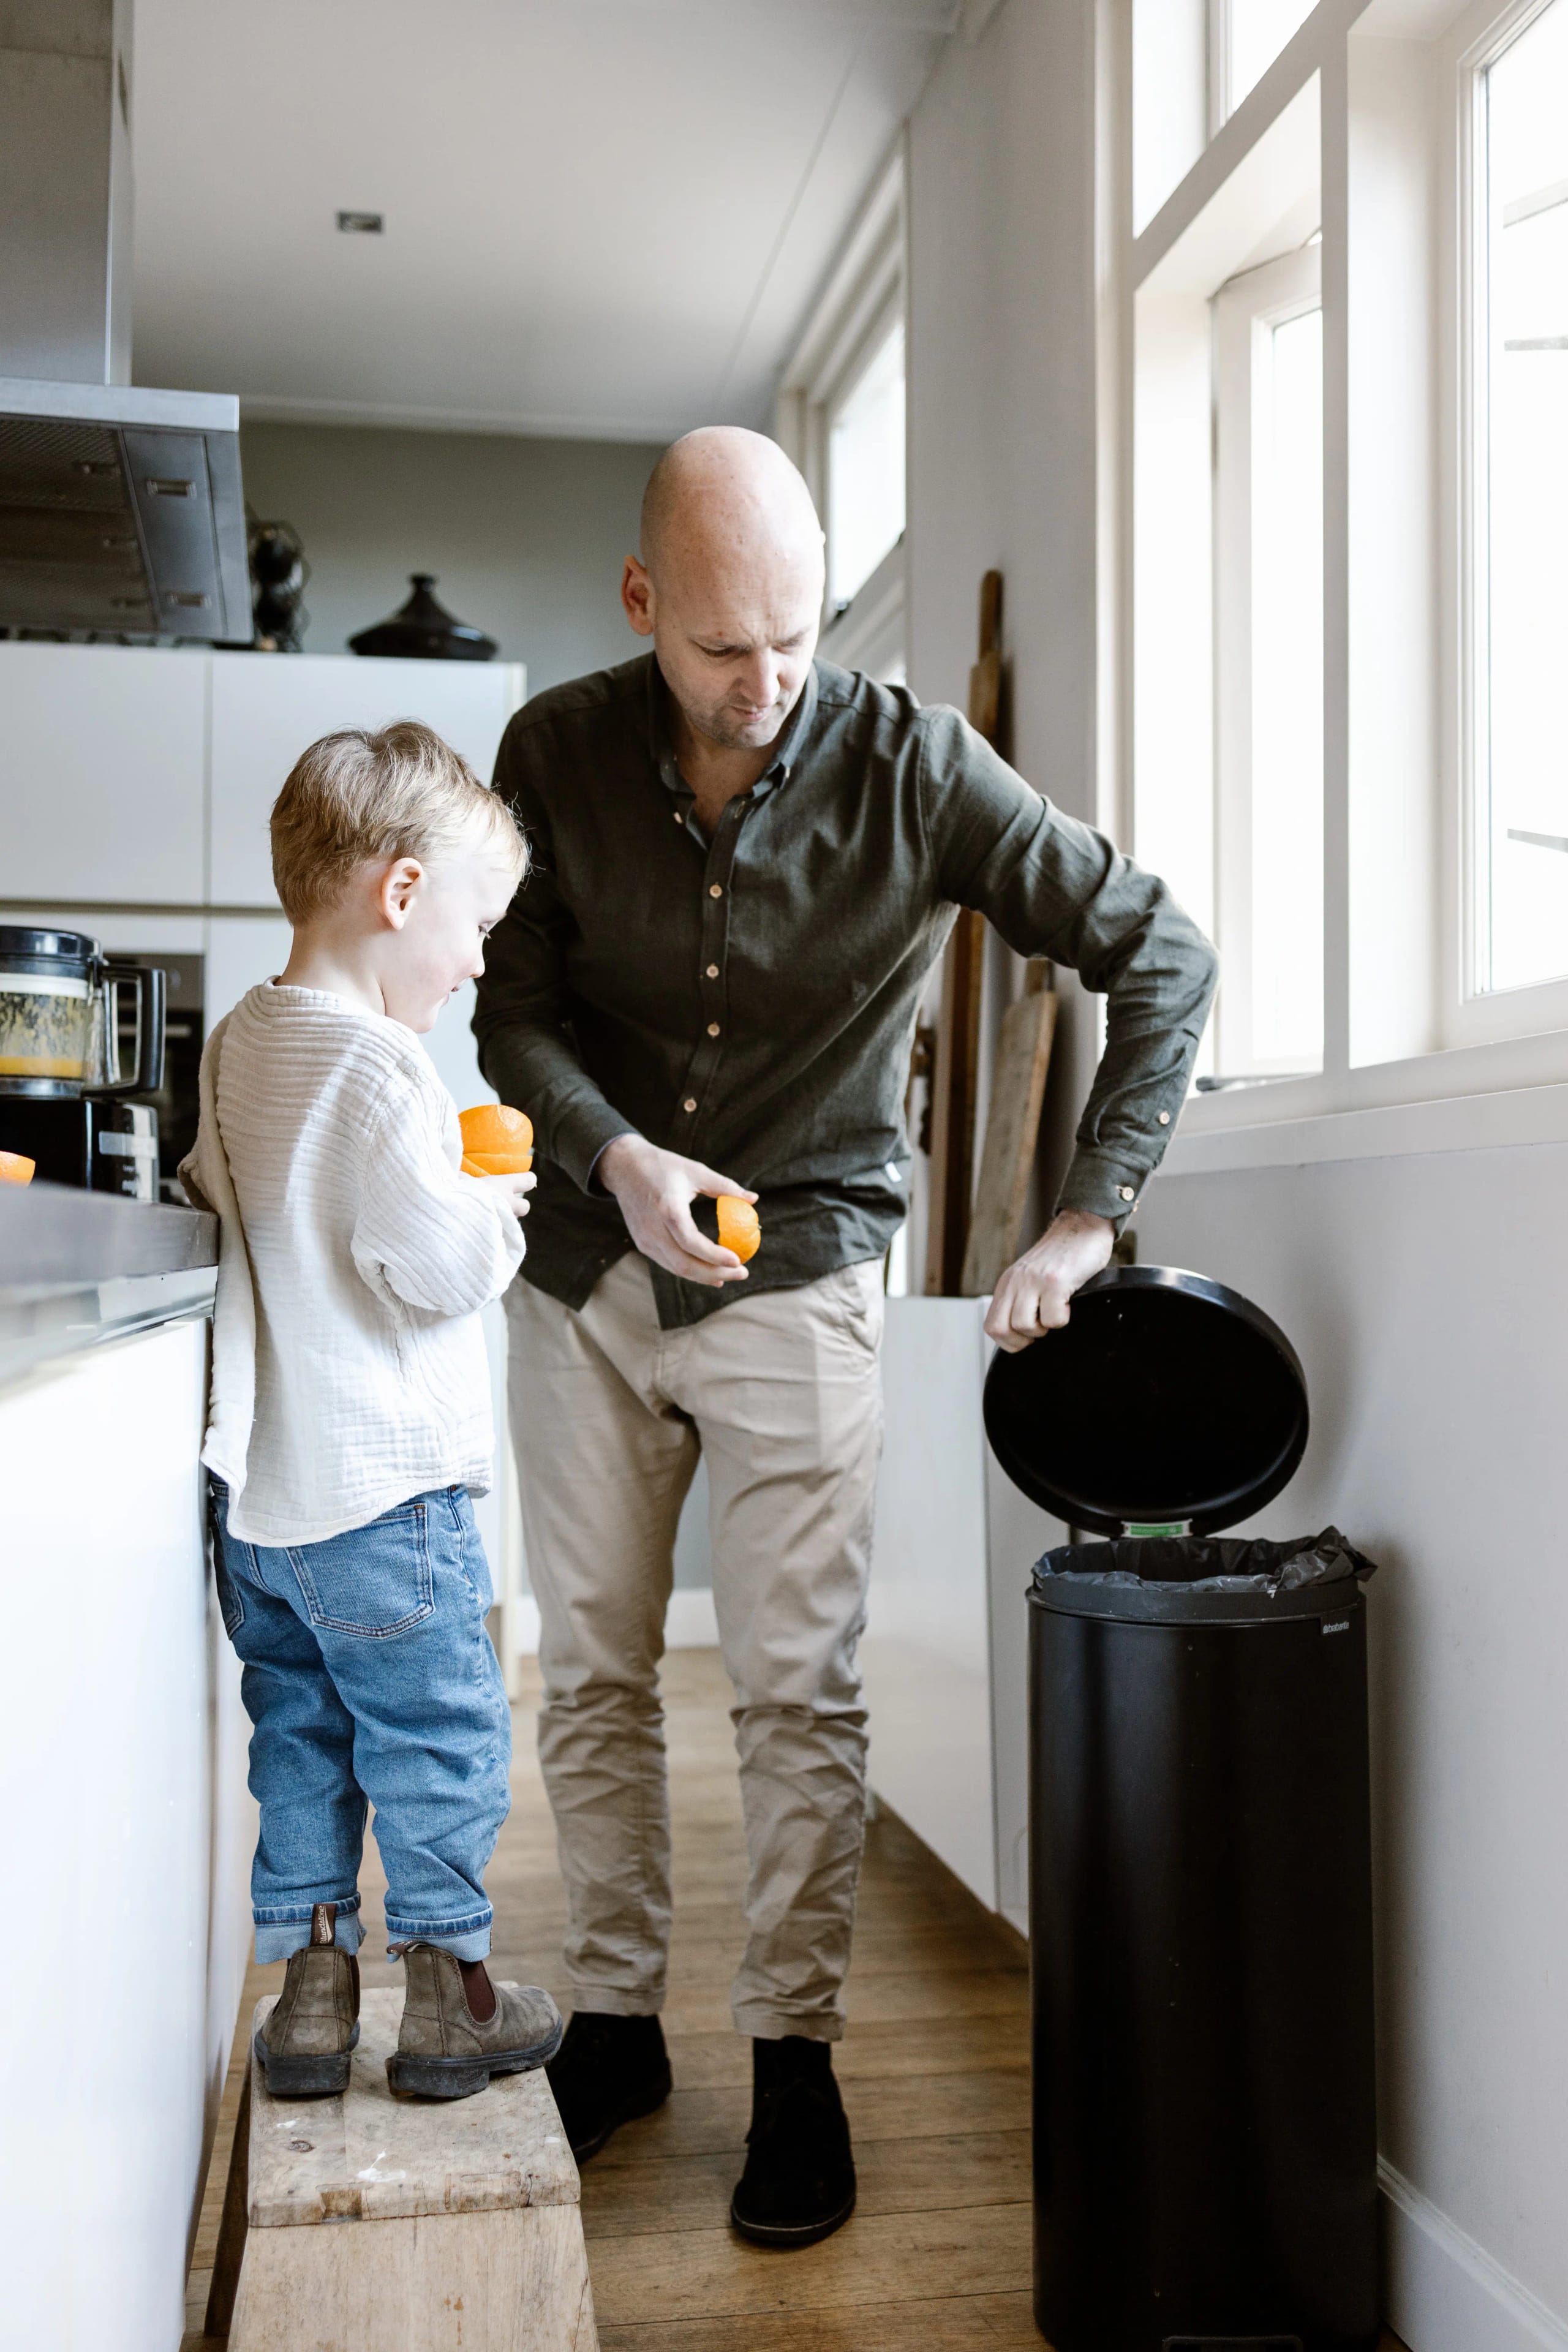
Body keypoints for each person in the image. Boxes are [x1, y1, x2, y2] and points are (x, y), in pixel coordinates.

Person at [474, 428, 1219, 2243]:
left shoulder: (919, 765)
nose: (767, 682)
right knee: (591, 1672)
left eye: (795, 636)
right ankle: (626, 2023)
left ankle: (795, 2061)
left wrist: (1089, 1208)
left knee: (802, 1687)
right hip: (587, 1265)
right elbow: (511, 1020)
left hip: (803, 1263)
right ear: (644, 603)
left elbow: (1163, 953)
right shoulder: (554, 753)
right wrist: (619, 1152)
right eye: (727, 645)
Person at [181, 720, 562, 2102]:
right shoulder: (381, 1064)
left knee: (302, 1739)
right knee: (438, 1732)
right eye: (472, 926)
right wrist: (496, 1211)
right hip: (385, 1495)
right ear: (399, 894)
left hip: (262, 1510)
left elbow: (218, 1197)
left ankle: (307, 1997)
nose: (474, 961)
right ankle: (453, 1997)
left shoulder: (241, 1041)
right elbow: (437, 1265)